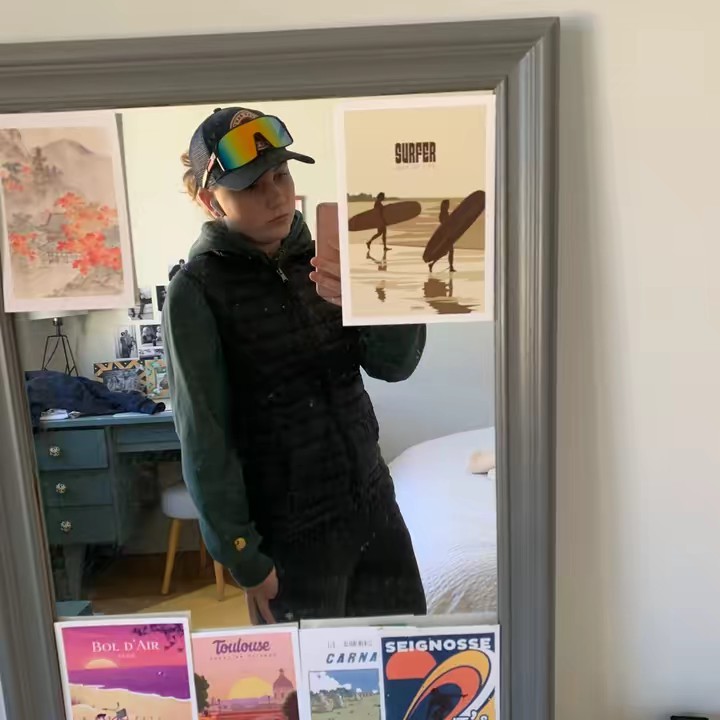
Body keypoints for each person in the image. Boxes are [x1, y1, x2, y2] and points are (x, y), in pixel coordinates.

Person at [163, 107, 427, 625]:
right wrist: (244, 557)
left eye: (281, 175)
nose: (277, 196)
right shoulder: (195, 291)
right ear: (209, 200)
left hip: (374, 504)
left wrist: (386, 291)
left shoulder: (329, 259)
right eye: (251, 186)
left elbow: (393, 366)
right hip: (289, 536)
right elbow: (204, 438)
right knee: (314, 675)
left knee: (404, 659)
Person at [428, 199, 455, 273]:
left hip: (447, 234)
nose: (448, 206)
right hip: (446, 235)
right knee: (447, 252)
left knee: (446, 252)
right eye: (447, 204)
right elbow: (444, 224)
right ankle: (450, 266)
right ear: (444, 205)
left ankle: (450, 266)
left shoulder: (444, 213)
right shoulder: (443, 214)